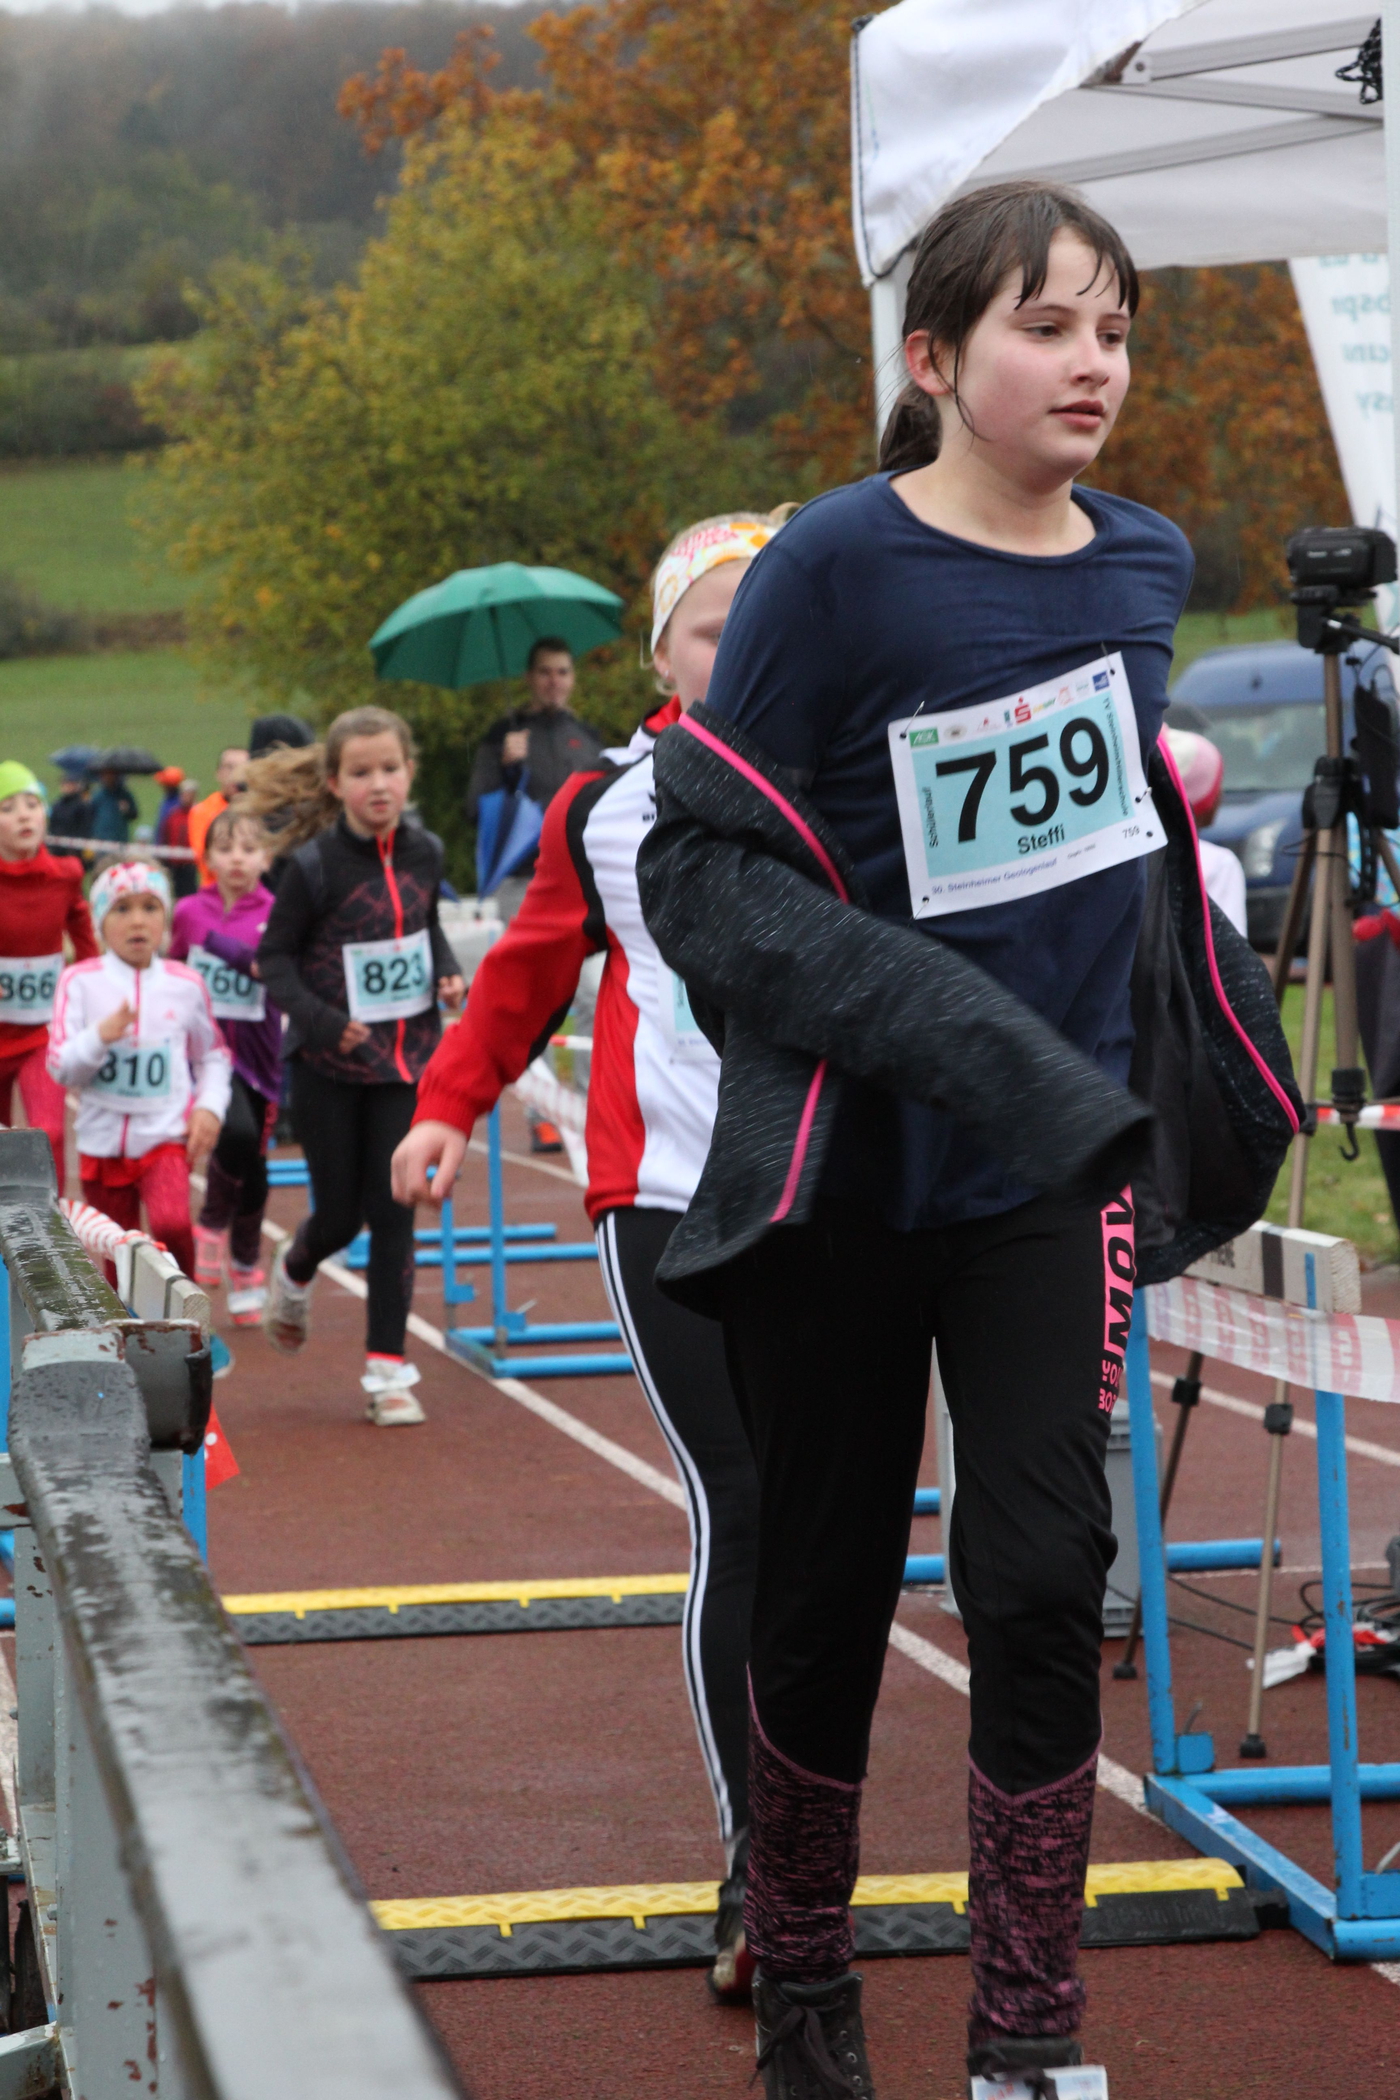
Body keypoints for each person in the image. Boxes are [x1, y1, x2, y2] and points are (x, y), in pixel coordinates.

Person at [636, 182, 1297, 2098]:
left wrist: (1197, 1053)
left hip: (1047, 1186)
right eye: (1048, 326)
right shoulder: (834, 566)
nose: (1095, 364)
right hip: (846, 1177)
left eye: (1117, 331)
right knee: (824, 1598)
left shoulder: (1146, 562)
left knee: (1040, 1578)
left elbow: (1112, 845)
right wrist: (959, 1034)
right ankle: (810, 1995)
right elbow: (701, 875)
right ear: (933, 358)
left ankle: (1028, 2030)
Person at [394, 509, 786, 1999]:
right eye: (714, 631)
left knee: (826, 1521)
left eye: (768, 626)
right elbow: (523, 974)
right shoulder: (606, 806)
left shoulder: (859, 781)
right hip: (665, 1194)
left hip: (826, 1201)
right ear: (663, 660)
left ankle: (803, 1829)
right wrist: (447, 1107)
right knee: (739, 1500)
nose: (742, 653)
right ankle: (760, 1859)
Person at [255, 706, 465, 1426]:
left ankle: (387, 1372)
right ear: (336, 783)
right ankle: (296, 1265)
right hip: (328, 1066)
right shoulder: (314, 866)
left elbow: (425, 924)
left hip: (406, 1063)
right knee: (340, 1217)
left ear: (410, 772)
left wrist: (445, 970)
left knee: (395, 1209)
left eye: (390, 769)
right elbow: (273, 959)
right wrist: (322, 1021)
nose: (379, 784)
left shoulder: (426, 852)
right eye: (361, 772)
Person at [48, 861, 231, 1279]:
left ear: (165, 918)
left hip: (165, 1138)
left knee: (171, 1223)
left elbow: (213, 1056)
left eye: (150, 907)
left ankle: (185, 1299)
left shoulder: (186, 985)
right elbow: (60, 1066)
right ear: (100, 922)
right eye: (122, 908)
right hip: (102, 1145)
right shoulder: (79, 982)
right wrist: (100, 1037)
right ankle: (127, 1318)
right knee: (120, 1257)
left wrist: (209, 1107)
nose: (137, 921)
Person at [170, 806, 282, 1325]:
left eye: (248, 849)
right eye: (226, 848)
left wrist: (215, 944)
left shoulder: (278, 913)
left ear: (266, 858)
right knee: (235, 1133)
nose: (237, 859)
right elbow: (172, 967)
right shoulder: (189, 911)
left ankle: (245, 1266)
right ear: (208, 857)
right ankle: (212, 1223)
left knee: (255, 1168)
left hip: (261, 1057)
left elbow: (271, 970)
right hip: (206, 1055)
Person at [0, 762, 97, 1186]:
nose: (24, 815)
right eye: (7, 808)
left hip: (41, 1034)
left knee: (49, 1133)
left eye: (32, 804)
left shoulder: (66, 875)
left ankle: (50, 1219)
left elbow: (85, 935)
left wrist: (91, 988)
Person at [466, 638, 606, 919]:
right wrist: (507, 769)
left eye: (562, 672)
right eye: (545, 672)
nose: (554, 681)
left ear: (573, 678)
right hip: (521, 880)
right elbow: (474, 810)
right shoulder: (502, 735)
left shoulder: (589, 738)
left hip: (582, 877)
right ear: (528, 677)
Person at [1163, 726, 1248, 937]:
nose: (1221, 795)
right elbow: (1228, 945)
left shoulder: (1141, 856)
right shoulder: (1219, 864)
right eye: (1216, 785)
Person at [189, 748, 250, 884]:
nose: (236, 773)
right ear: (218, 773)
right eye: (229, 767)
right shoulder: (203, 810)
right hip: (215, 890)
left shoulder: (260, 809)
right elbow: (206, 858)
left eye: (243, 767)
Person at [165, 779, 200, 901]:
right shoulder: (174, 814)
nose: (186, 797)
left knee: (190, 894)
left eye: (189, 794)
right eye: (184, 794)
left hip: (190, 862)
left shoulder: (198, 814)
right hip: (174, 862)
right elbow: (166, 834)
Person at [87, 768, 138, 847]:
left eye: (111, 775)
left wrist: (127, 810)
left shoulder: (124, 794)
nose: (108, 778)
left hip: (119, 838)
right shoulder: (97, 795)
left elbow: (134, 814)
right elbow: (89, 815)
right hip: (101, 838)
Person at [50, 773, 92, 843]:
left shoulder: (82, 806)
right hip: (56, 844)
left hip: (74, 844)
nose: (67, 787)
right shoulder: (57, 805)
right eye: (65, 784)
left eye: (70, 784)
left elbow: (85, 828)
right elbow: (53, 825)